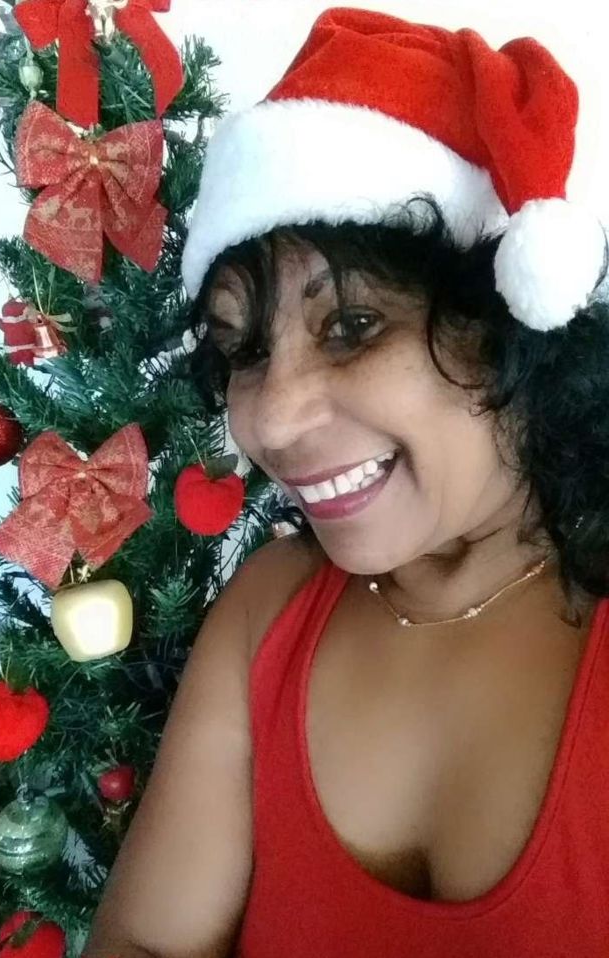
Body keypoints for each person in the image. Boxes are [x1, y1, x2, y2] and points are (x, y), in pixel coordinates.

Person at [84, 7, 609, 957]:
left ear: (503, 324)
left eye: (354, 326)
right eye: (245, 350)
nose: (272, 421)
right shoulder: (269, 611)